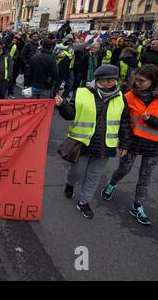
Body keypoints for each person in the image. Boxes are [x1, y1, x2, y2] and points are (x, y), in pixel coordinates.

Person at [55, 64, 131, 219]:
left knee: (94, 175)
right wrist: (62, 105)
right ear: (97, 79)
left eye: (113, 79)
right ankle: (70, 183)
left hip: (105, 146)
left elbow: (124, 122)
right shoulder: (82, 92)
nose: (110, 82)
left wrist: (124, 144)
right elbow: (71, 114)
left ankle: (84, 202)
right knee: (77, 172)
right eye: (106, 79)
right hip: (82, 142)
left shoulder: (121, 96)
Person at [101, 64, 158, 226]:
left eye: (142, 81)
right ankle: (111, 184)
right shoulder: (129, 96)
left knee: (145, 177)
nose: (137, 83)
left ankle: (137, 206)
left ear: (153, 81)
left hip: (153, 146)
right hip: (132, 143)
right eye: (136, 79)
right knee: (124, 169)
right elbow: (124, 122)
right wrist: (124, 144)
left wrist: (151, 120)